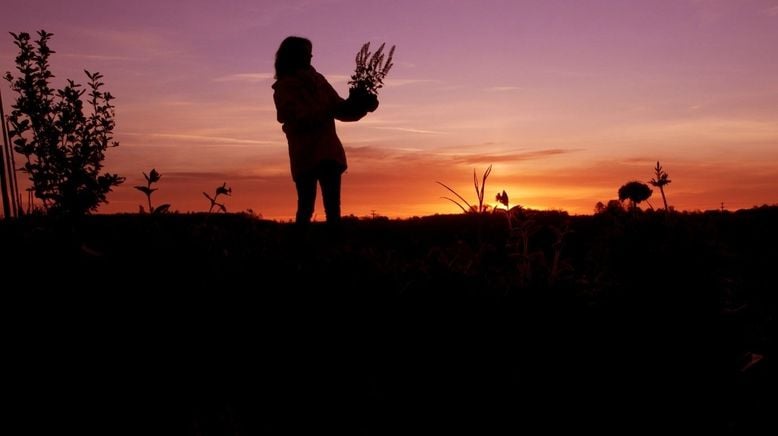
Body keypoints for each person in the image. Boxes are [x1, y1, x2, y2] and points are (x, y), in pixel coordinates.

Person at [272, 36, 378, 225]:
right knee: (306, 207)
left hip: (328, 151)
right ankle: (301, 249)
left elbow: (340, 110)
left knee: (333, 208)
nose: (311, 56)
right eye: (306, 53)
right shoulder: (284, 87)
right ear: (294, 55)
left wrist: (360, 105)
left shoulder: (319, 80)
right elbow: (295, 117)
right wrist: (328, 110)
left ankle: (332, 249)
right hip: (304, 153)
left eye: (310, 52)